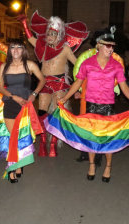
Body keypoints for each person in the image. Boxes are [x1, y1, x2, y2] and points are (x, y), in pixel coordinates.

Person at [59, 26, 129, 183]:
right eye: (107, 45)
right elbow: (78, 83)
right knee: (91, 137)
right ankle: (91, 165)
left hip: (108, 106)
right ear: (99, 45)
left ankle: (108, 166)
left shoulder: (117, 66)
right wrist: (65, 98)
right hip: (91, 104)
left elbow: (124, 87)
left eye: (113, 46)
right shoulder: (87, 64)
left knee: (107, 138)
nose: (111, 49)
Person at [18, 11, 89, 157]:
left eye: (53, 34)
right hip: (45, 81)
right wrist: (24, 24)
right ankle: (43, 141)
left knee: (57, 114)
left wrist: (84, 79)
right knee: (42, 113)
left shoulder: (65, 48)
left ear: (59, 35)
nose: (49, 37)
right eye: (48, 34)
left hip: (59, 82)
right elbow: (30, 38)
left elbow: (77, 66)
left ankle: (53, 144)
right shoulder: (42, 46)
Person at [0, 39, 45, 183]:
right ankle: (12, 168)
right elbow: (1, 88)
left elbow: (42, 80)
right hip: (10, 104)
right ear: (9, 50)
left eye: (19, 47)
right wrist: (13, 97)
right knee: (13, 137)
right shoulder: (4, 66)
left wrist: (34, 94)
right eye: (13, 47)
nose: (16, 50)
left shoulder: (30, 65)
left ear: (23, 50)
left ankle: (19, 164)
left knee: (21, 137)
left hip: (25, 105)